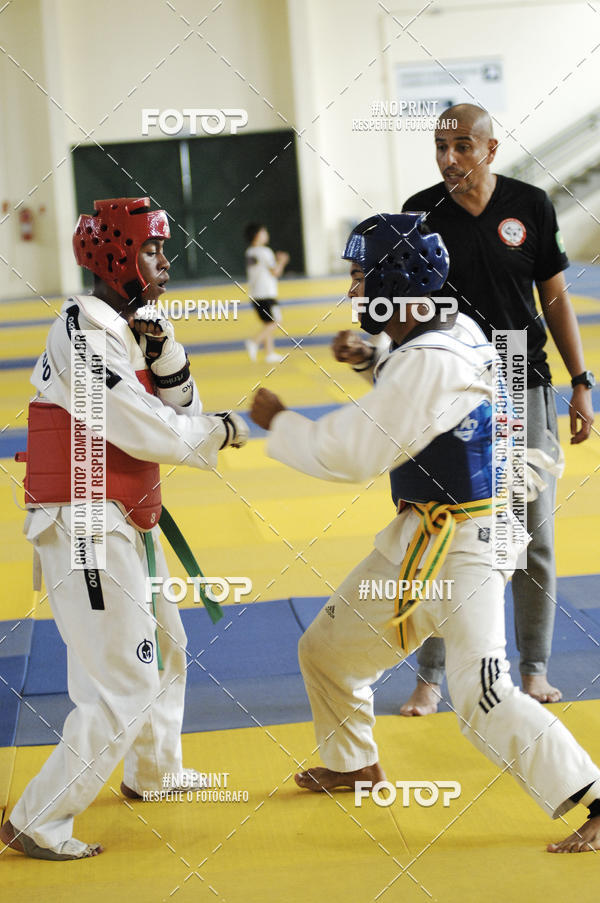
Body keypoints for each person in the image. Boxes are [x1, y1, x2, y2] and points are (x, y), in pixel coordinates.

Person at [250, 213, 600, 852]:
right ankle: (354, 761)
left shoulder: (428, 361)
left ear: (397, 282)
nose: (353, 292)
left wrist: (281, 423)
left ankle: (594, 797)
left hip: (468, 545)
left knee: (482, 695)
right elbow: (418, 380)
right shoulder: (452, 328)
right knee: (326, 652)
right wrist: (373, 357)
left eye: (360, 278)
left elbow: (354, 452)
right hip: (422, 538)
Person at [0, 197, 248, 860]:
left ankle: (155, 769)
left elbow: (177, 405)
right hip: (85, 521)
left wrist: (166, 350)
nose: (166, 263)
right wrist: (214, 432)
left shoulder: (131, 323)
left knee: (166, 643)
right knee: (125, 679)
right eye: (151, 250)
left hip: (123, 516)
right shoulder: (82, 328)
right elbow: (136, 424)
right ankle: (40, 817)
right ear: (114, 255)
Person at [398, 103, 595, 714]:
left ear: (489, 148)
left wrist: (581, 381)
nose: (449, 158)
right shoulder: (419, 212)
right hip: (451, 384)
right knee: (445, 529)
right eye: (439, 146)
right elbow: (402, 307)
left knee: (530, 531)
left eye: (461, 146)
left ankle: (532, 667)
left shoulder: (531, 205)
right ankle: (431, 675)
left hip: (520, 371)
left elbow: (556, 299)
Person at [244, 222, 289, 363]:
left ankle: (269, 353)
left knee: (267, 322)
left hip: (255, 293)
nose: (266, 234)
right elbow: (275, 272)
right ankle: (254, 341)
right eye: (264, 232)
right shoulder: (265, 252)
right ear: (258, 235)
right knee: (276, 321)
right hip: (267, 293)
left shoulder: (250, 252)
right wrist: (282, 261)